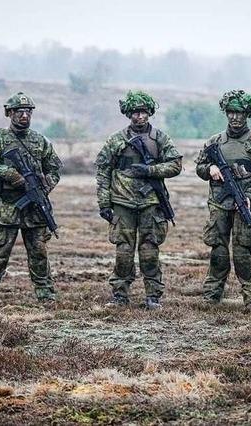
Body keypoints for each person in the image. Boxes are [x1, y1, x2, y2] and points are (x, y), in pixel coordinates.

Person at [0, 92, 62, 309]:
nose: (24, 116)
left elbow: (55, 169)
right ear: (9, 113)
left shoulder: (40, 141)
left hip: (34, 207)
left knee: (39, 253)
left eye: (28, 112)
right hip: (5, 206)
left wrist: (45, 185)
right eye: (19, 112)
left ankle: (46, 297)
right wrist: (10, 174)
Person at [95, 91, 182, 309]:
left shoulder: (160, 138)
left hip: (151, 203)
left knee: (149, 250)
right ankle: (120, 296)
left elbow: (175, 165)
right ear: (128, 114)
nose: (139, 117)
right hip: (122, 203)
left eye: (143, 112)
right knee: (123, 251)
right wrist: (104, 203)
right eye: (135, 112)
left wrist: (150, 170)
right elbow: (103, 171)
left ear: (150, 113)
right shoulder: (116, 140)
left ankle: (153, 296)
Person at [194, 90, 251, 309]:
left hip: (243, 204)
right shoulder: (215, 142)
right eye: (231, 112)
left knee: (243, 253)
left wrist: (249, 194)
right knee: (218, 251)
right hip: (219, 204)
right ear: (226, 114)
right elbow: (199, 167)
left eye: (240, 113)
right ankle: (212, 295)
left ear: (247, 114)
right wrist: (210, 169)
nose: (235, 117)